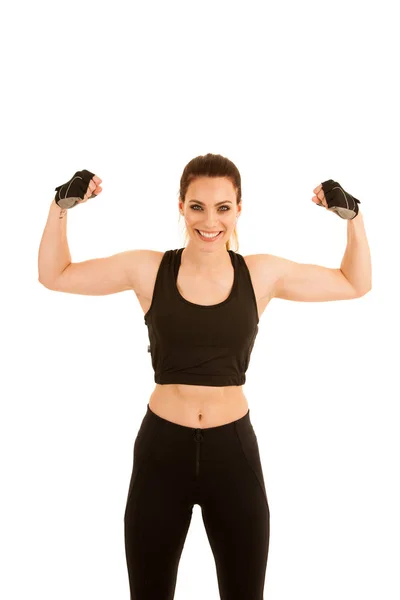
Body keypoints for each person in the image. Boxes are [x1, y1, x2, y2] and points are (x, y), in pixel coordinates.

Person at [38, 153, 372, 599]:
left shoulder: (260, 273)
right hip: (162, 454)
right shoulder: (149, 269)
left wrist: (354, 218)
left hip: (232, 454)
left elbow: (355, 282)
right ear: (181, 206)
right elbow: (54, 275)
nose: (209, 221)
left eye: (222, 208)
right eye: (197, 206)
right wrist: (59, 208)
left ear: (238, 209)